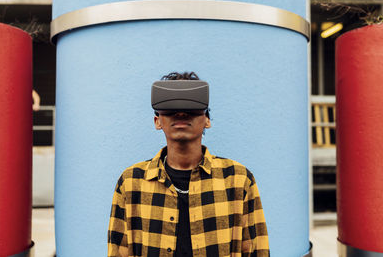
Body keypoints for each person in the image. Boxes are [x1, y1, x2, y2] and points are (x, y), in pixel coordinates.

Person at [108, 72, 269, 257]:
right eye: (170, 108)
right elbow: (118, 252)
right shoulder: (131, 182)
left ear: (207, 120)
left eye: (192, 107)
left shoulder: (238, 180)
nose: (181, 113)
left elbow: (258, 250)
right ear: (157, 121)